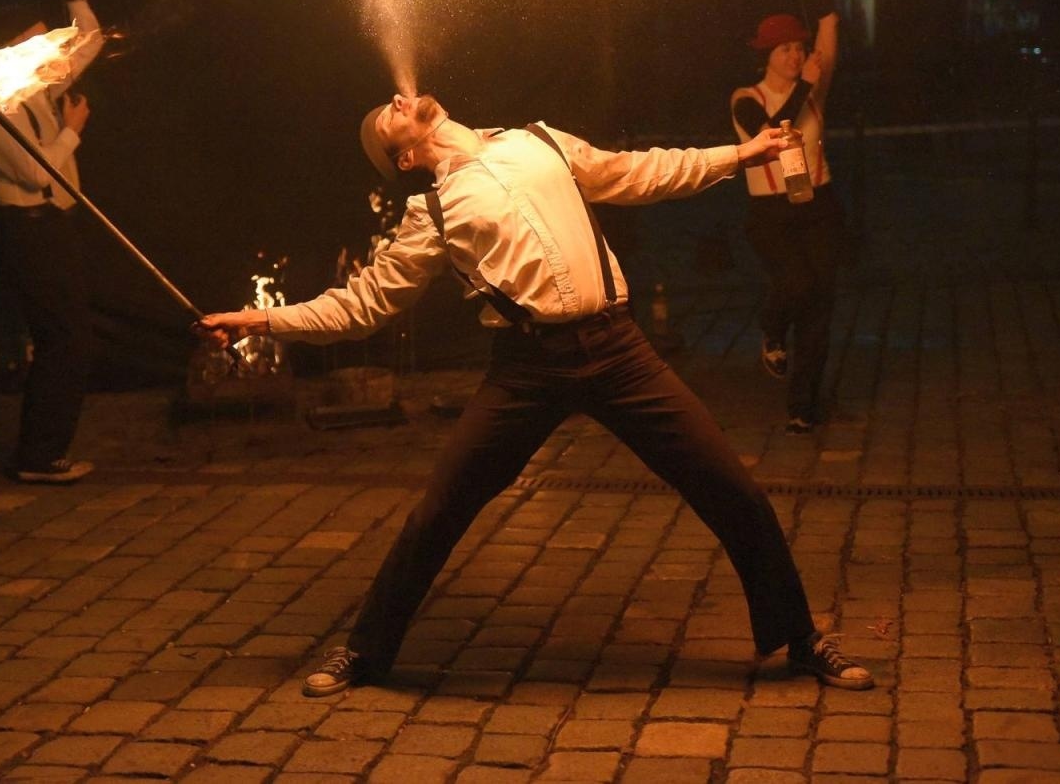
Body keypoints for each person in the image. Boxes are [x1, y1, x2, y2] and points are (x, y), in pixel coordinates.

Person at [197, 93, 873, 697]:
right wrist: (262, 320)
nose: (400, 101)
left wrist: (741, 153)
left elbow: (638, 173)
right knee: (439, 511)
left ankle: (800, 639)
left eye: (396, 100)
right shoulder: (429, 209)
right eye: (387, 116)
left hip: (618, 352)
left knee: (732, 488)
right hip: (527, 370)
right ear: (401, 157)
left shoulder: (537, 140)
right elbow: (363, 306)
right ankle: (367, 653)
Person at [0, 0, 103, 484]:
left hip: (55, 229)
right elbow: (34, 174)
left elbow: (89, 41)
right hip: (30, 233)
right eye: (40, 43)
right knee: (62, 340)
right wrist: (72, 129)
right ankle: (39, 456)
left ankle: (44, 451)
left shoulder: (38, 87)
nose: (53, 49)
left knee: (70, 338)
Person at [730, 0, 842, 434]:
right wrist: (805, 84)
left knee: (820, 301)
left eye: (799, 49)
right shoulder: (745, 98)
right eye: (786, 50)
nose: (796, 56)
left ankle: (803, 405)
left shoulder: (814, 89)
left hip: (818, 205)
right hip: (771, 214)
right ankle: (772, 330)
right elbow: (773, 127)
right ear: (767, 56)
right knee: (795, 286)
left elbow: (830, 23)